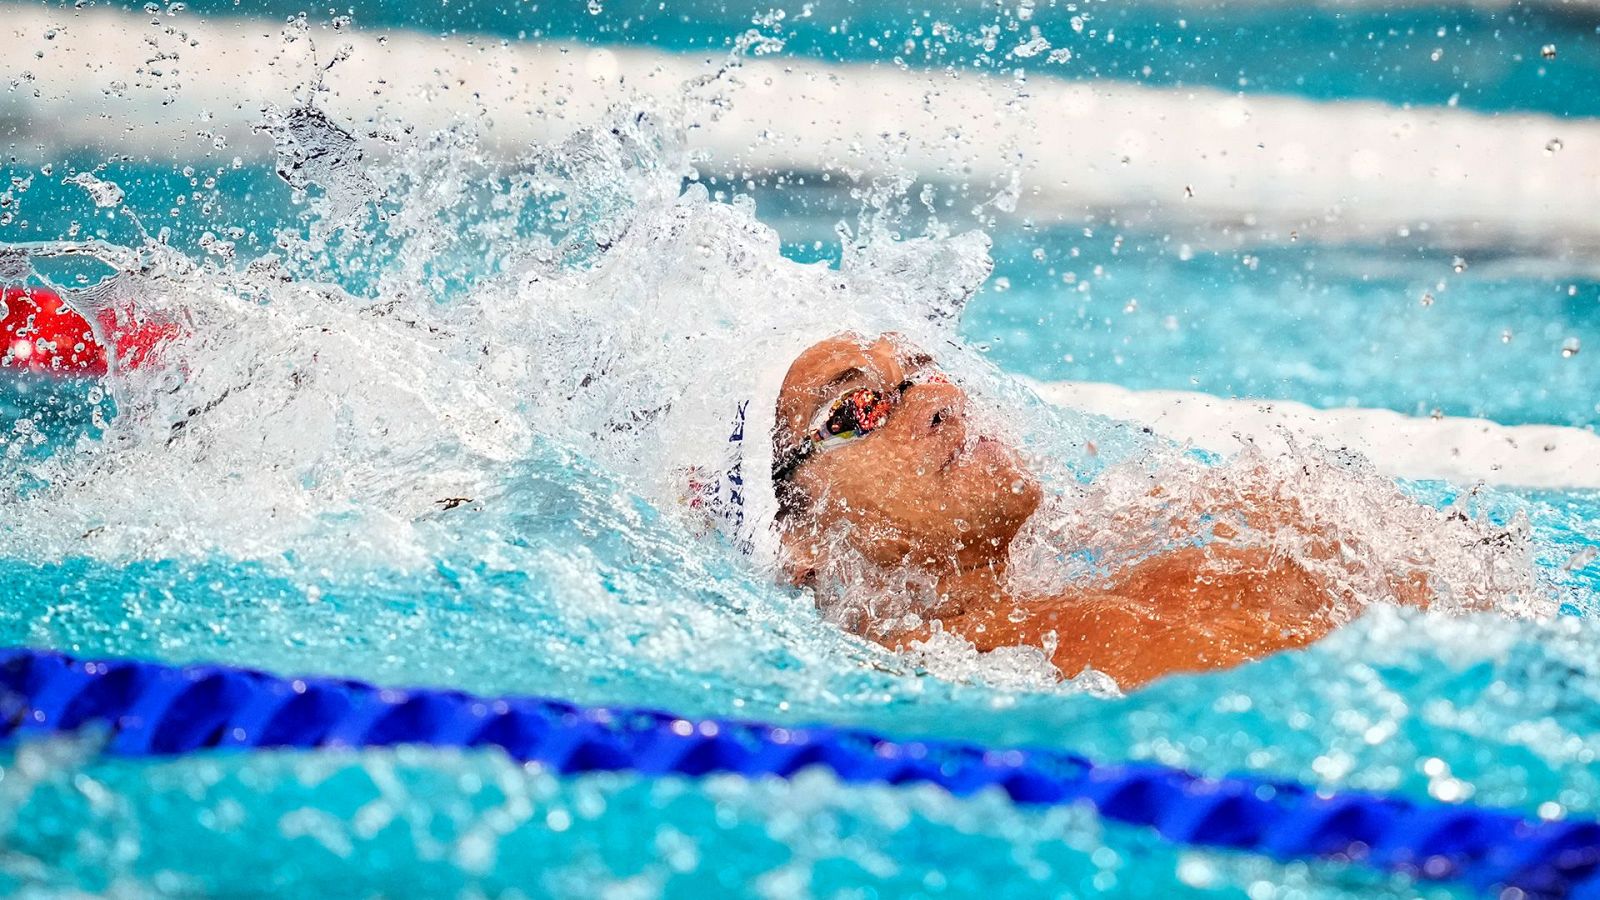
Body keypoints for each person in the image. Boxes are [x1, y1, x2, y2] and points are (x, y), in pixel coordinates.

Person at [733, 331, 1432, 689]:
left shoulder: (1162, 574)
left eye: (922, 369)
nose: (937, 399)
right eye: (859, 407)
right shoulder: (935, 671)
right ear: (800, 536)